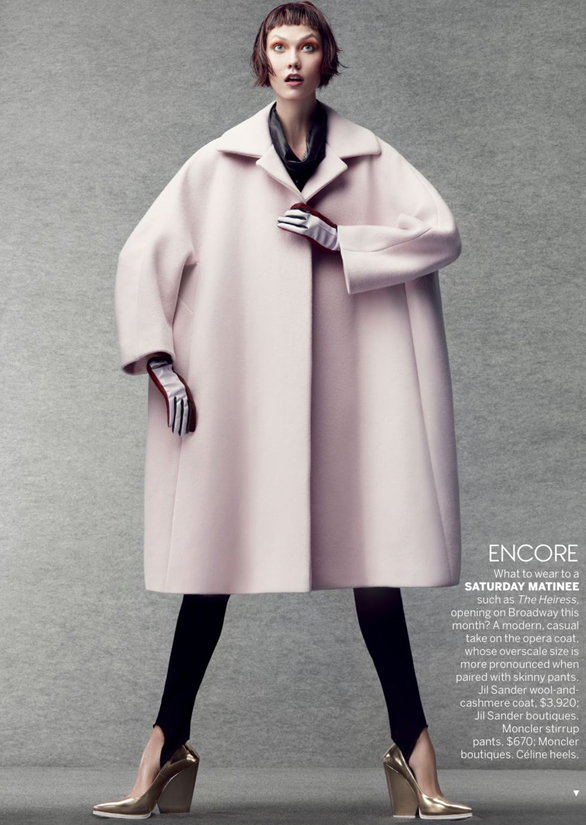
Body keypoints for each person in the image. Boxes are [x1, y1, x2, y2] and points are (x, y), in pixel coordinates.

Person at [94, 2, 472, 819]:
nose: (292, 59)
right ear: (261, 60)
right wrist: (159, 361)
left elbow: (439, 232)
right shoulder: (217, 164)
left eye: (306, 45)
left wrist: (347, 242)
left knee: (376, 563)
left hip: (350, 405)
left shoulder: (370, 158)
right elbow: (143, 255)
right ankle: (162, 745)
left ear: (325, 58)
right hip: (242, 400)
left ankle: (416, 755)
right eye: (278, 45)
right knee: (211, 567)